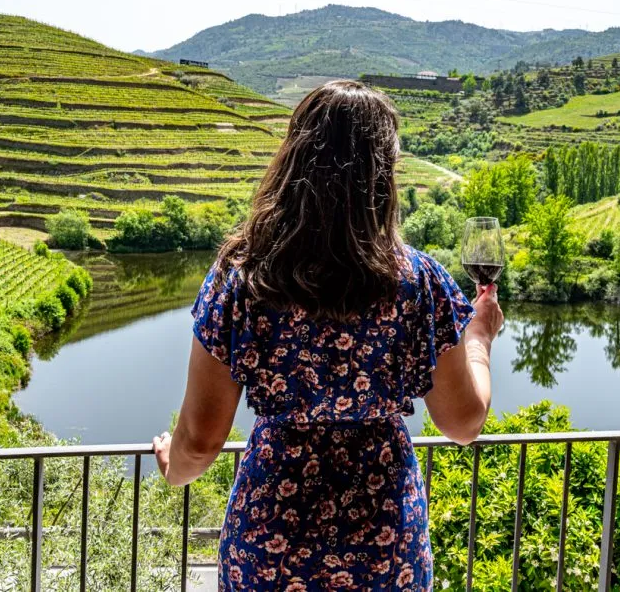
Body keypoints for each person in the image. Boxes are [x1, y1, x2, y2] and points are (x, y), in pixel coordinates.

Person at [153, 80, 502, 590]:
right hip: (385, 549)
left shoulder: (244, 278)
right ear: (382, 177)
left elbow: (202, 441)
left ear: (293, 162)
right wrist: (479, 339)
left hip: (271, 547)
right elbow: (465, 423)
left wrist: (172, 467)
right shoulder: (419, 282)